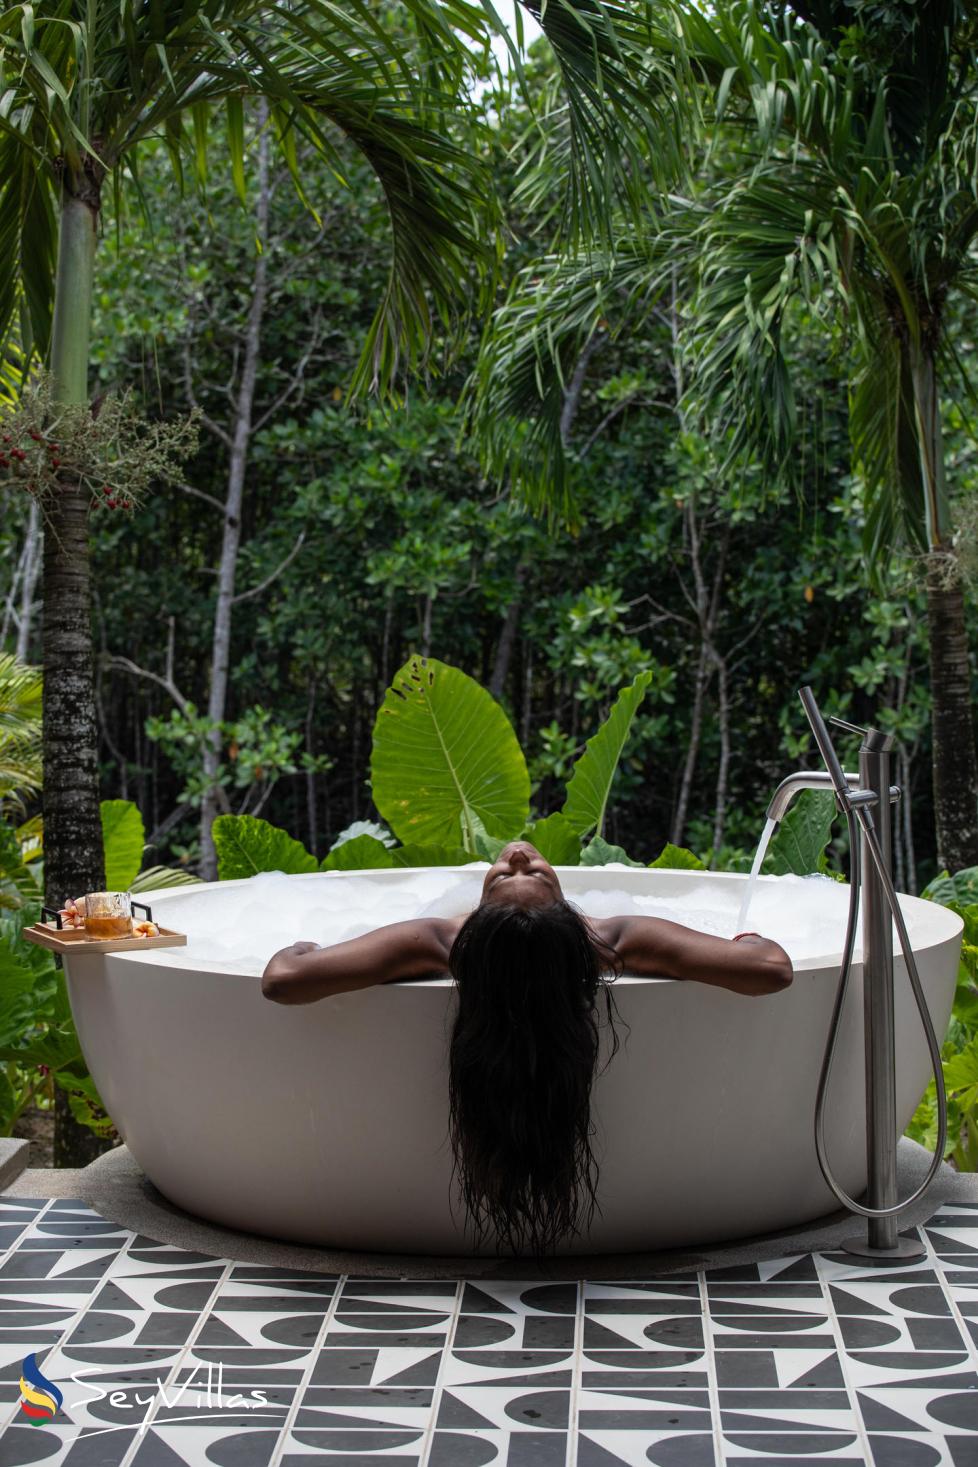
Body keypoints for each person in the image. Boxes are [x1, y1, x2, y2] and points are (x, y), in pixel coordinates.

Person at [262, 840, 793, 1257]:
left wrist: (303, 946)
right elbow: (770, 969)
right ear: (567, 914)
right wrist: (750, 939)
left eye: (519, 872)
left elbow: (284, 980)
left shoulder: (440, 941)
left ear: (477, 927)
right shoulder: (610, 939)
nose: (517, 856)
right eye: (524, 872)